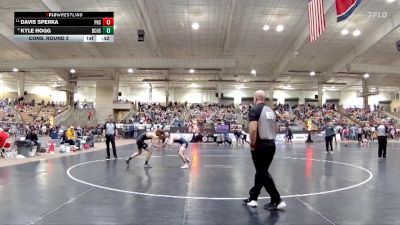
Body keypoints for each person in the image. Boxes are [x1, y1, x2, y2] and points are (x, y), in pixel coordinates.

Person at [243, 90, 286, 211]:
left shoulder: (255, 109)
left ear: (255, 98)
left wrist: (252, 144)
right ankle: (253, 197)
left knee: (262, 172)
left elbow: (252, 130)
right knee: (262, 172)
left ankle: (276, 200)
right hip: (271, 144)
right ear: (264, 98)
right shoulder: (271, 111)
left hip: (260, 145)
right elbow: (276, 128)